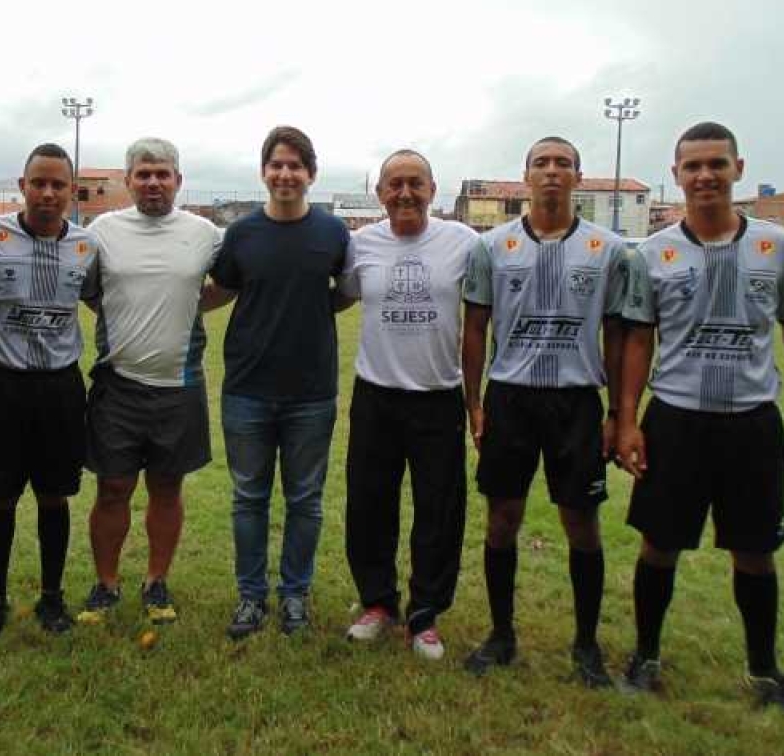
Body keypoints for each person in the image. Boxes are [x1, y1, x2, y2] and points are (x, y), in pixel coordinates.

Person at [617, 121, 784, 730]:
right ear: (677, 174)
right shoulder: (653, 253)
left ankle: (765, 670)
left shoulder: (777, 246)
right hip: (677, 423)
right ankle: (645, 657)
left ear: (738, 168)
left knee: (756, 552)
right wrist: (627, 421)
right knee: (659, 545)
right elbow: (637, 339)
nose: (705, 175)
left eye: (717, 163)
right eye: (693, 166)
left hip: (751, 425)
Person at [462, 136, 627, 687]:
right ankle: (501, 634)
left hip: (576, 401)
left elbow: (620, 334)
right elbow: (475, 329)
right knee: (502, 517)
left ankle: (585, 645)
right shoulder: (492, 247)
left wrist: (617, 416)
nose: (552, 171)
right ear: (526, 175)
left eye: (563, 164)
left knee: (581, 522)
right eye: (542, 163)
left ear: (578, 176)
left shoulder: (608, 250)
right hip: (511, 397)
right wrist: (475, 403)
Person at [335, 150, 480, 659]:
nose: (404, 194)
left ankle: (424, 615)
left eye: (414, 183)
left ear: (433, 189)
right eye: (394, 184)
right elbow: (337, 294)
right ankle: (377, 603)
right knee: (369, 504)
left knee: (439, 510)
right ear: (379, 194)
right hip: (375, 395)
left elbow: (485, 314)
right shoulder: (359, 245)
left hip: (439, 396)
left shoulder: (463, 242)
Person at [210, 125, 351, 639]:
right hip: (247, 388)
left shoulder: (333, 233)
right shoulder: (242, 234)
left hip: (312, 392)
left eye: (295, 165)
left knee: (305, 500)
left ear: (310, 174)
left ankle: (294, 595)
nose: (285, 173)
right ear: (264, 172)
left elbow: (346, 291)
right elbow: (222, 288)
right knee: (248, 498)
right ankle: (251, 598)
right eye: (277, 164)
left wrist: (312, 308)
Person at [76, 137, 221, 626]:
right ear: (127, 180)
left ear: (178, 180)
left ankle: (156, 580)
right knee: (112, 487)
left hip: (179, 386)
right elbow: (89, 290)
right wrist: (123, 319)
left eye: (163, 174)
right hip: (118, 384)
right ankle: (106, 583)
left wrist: (189, 307)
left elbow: (229, 283)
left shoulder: (205, 233)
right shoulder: (102, 231)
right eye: (143, 174)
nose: (153, 182)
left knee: (166, 487)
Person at [0, 144, 98, 638]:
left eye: (57, 185)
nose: (47, 192)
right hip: (4, 384)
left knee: (54, 497)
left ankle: (51, 598)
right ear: (22, 186)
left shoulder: (87, 247)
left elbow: (103, 300)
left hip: (61, 386)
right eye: (38, 183)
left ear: (70, 190)